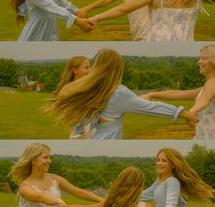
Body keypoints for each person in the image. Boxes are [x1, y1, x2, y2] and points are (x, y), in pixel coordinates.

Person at [46, 48, 198, 140]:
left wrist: (149, 95)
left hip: (97, 136)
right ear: (118, 68)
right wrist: (183, 113)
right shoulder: (118, 92)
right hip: (107, 138)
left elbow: (125, 103)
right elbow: (150, 108)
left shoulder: (97, 88)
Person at [8, 143, 104, 207]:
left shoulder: (55, 179)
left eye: (50, 158)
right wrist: (59, 201)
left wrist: (101, 200)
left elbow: (79, 192)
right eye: (45, 158)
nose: (49, 161)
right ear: (33, 160)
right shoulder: (25, 187)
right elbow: (40, 197)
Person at [141, 45, 215, 140]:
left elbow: (205, 98)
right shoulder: (207, 86)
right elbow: (178, 93)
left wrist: (190, 113)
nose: (199, 62)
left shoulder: (213, 82)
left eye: (204, 58)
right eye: (199, 58)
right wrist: (152, 94)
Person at [141, 148, 215, 207]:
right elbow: (146, 194)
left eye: (164, 161)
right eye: (158, 160)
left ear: (172, 165)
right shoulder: (160, 180)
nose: (159, 163)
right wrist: (125, 197)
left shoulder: (172, 182)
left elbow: (171, 203)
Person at [53, 56, 91, 138]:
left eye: (89, 67)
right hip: (79, 134)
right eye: (86, 68)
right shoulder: (68, 89)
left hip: (93, 132)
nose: (89, 71)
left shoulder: (89, 86)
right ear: (75, 70)